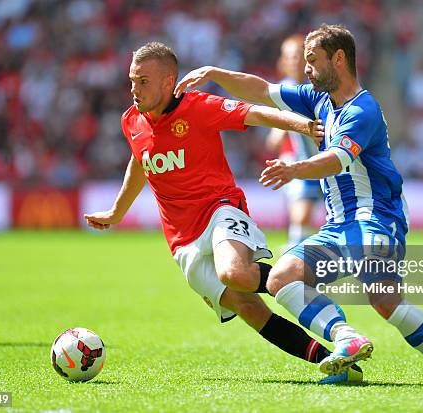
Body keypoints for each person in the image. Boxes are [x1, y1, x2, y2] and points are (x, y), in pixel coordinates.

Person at [175, 24, 423, 386]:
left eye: (312, 61)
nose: (306, 69)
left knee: (385, 300)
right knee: (282, 277)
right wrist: (216, 75)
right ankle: (346, 340)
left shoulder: (363, 110)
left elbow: (337, 159)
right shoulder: (317, 98)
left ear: (339, 58)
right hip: (338, 224)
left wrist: (295, 168)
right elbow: (261, 90)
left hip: (376, 219)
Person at [83, 42, 361, 379]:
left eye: (143, 81)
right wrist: (116, 212)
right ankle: (335, 362)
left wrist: (301, 125)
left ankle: (307, 278)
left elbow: (253, 112)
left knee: (235, 272)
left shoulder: (198, 106)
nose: (134, 90)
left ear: (168, 80)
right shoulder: (131, 121)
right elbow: (139, 163)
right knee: (248, 308)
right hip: (181, 241)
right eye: (131, 80)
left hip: (219, 209)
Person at [266, 34, 322, 248]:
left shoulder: (322, 87)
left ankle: (302, 253)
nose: (294, 61)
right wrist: (280, 129)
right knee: (301, 217)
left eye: (299, 56)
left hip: (330, 163)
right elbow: (273, 139)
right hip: (299, 164)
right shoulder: (281, 91)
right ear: (283, 61)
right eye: (289, 56)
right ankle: (295, 256)